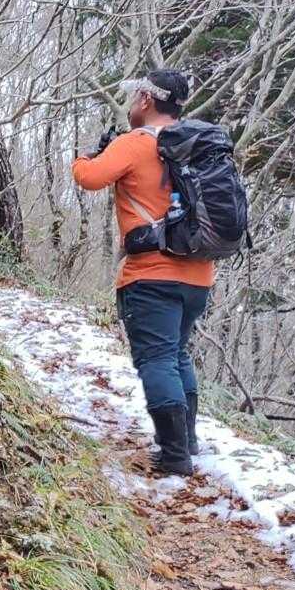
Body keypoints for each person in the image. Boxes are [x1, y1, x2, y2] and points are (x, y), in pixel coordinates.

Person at [72, 69, 212, 476]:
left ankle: (174, 456)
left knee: (158, 359)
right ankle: (186, 441)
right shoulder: (196, 146)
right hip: (199, 276)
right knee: (177, 354)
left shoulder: (135, 143)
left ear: (147, 100)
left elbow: (89, 178)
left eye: (136, 97)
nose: (132, 103)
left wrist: (84, 157)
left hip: (152, 277)